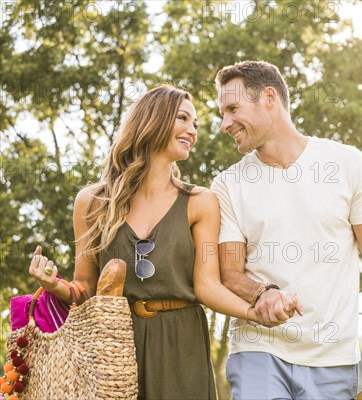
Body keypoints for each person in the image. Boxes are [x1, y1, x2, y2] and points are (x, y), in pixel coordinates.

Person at [28, 84, 262, 399]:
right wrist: (54, 285)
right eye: (183, 118)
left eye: (194, 124)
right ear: (153, 120)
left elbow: (208, 286)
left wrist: (254, 311)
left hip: (183, 346)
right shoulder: (93, 201)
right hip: (113, 346)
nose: (192, 131)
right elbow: (84, 289)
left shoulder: (200, 201)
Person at [210, 60, 362, 399]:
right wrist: (262, 293)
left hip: (332, 358)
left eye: (233, 109)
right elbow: (229, 272)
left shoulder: (346, 164)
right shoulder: (228, 184)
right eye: (223, 113)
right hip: (257, 351)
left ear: (268, 98)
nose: (225, 124)